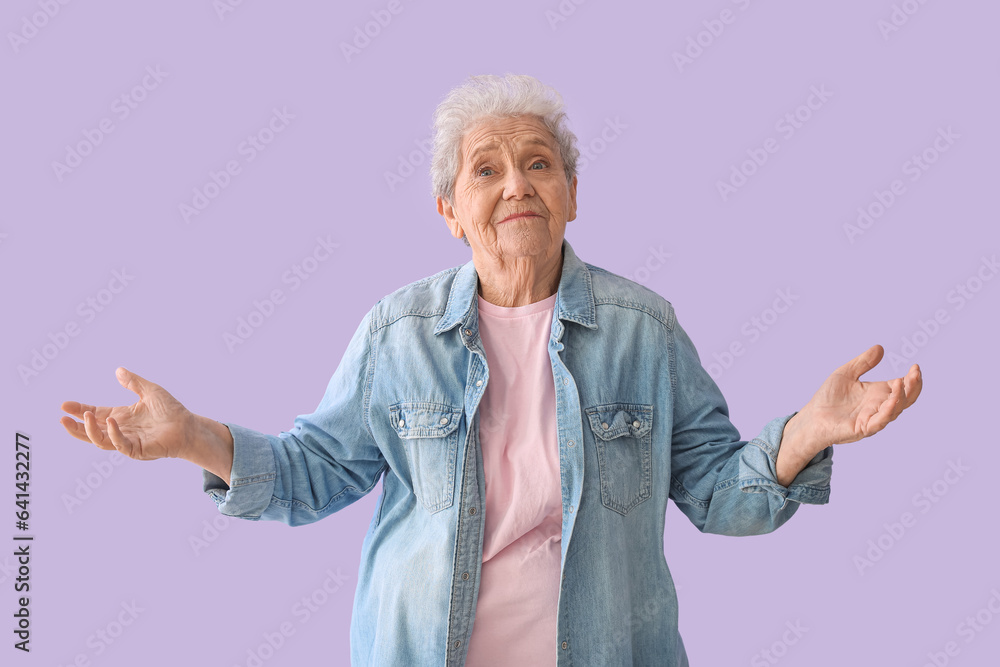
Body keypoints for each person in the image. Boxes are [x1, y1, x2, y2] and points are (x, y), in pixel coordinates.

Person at [59, 74, 922, 667]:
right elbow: (310, 475)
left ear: (573, 193)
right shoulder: (397, 334)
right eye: (488, 169)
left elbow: (716, 492)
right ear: (449, 210)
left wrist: (808, 430)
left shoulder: (644, 331)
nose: (517, 183)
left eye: (539, 163)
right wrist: (194, 439)